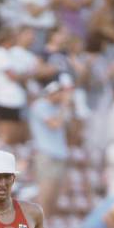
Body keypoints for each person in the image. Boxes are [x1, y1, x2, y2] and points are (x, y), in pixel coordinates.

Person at [29, 79, 69, 219]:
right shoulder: (40, 105)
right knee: (46, 191)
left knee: (54, 194)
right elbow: (54, 124)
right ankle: (40, 224)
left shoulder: (57, 109)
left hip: (59, 154)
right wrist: (65, 105)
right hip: (46, 153)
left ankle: (47, 224)